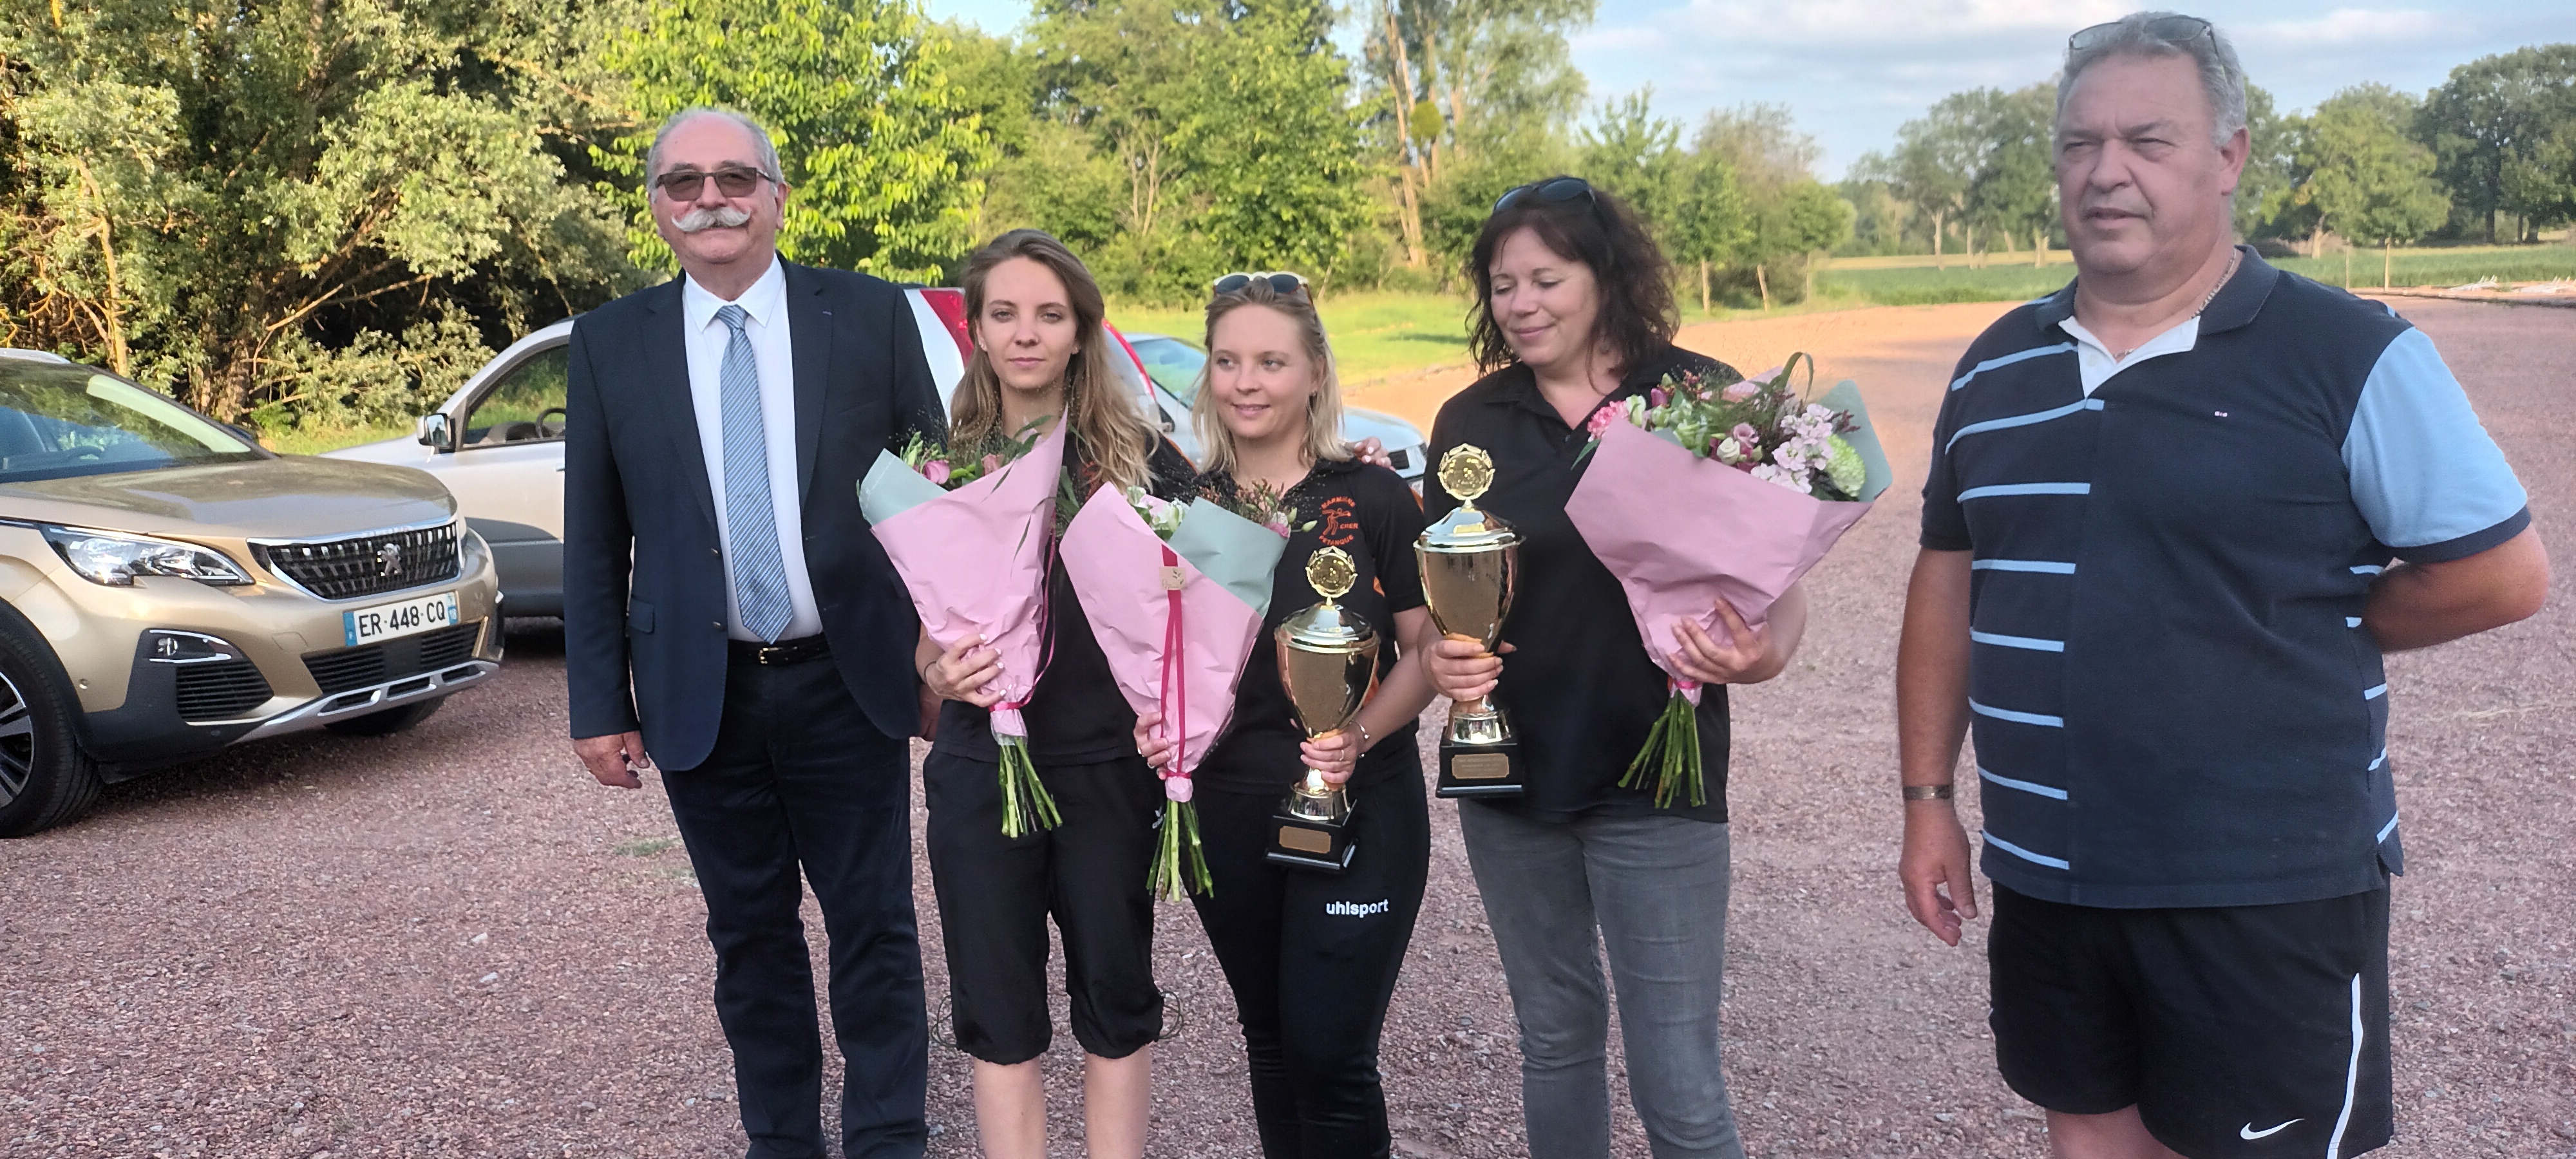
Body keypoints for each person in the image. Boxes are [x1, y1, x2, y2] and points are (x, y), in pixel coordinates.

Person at [1895, 14, 2550, 1159]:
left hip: (2267, 878)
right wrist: (1927, 802)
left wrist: (2309, 621)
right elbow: (1950, 589)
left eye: (2149, 140)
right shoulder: (1997, 367)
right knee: (2087, 1140)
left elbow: (2502, 573)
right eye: (2078, 144)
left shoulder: (2349, 352)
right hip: (2050, 872)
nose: (2106, 172)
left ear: (2231, 155)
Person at [563, 107, 945, 1159]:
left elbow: (936, 499)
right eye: (681, 183)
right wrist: (597, 704)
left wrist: (939, 652)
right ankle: (781, 1137)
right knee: (748, 935)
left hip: (849, 678)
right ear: (657, 209)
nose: (710, 198)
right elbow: (595, 536)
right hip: (701, 689)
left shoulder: (868, 315)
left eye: (734, 176)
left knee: (873, 926)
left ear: (778, 195)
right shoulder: (610, 343)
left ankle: (886, 1134)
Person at [1419, 178, 1810, 1159]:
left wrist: (1758, 656)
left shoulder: (1699, 398)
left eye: (1546, 279)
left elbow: (1776, 588)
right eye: (1502, 285)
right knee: (1554, 1041)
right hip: (1508, 779)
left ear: (1606, 277)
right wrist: (1444, 655)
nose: (1521, 304)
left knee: (1678, 1075)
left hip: (1657, 776)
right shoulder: (1471, 424)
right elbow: (1440, 604)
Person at [1130, 272, 1438, 1158]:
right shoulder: (1183, 509)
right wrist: (1156, 721)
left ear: (1314, 373)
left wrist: (1360, 735)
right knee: (1270, 1042)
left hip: (1362, 801)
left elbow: (1426, 652)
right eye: (1227, 361)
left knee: (1332, 1054)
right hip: (1228, 805)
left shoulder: (1374, 498)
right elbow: (1155, 655)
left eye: (1271, 360)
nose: (1246, 381)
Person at [913, 229, 1197, 1159]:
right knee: (999, 1017)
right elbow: (921, 640)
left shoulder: (1145, 463)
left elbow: (1215, 598)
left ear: (1082, 331)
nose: (1026, 333)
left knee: (1117, 1002)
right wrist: (936, 674)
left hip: (1107, 770)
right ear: (979, 331)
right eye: (1004, 314)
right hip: (978, 770)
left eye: (1050, 314)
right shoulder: (936, 466)